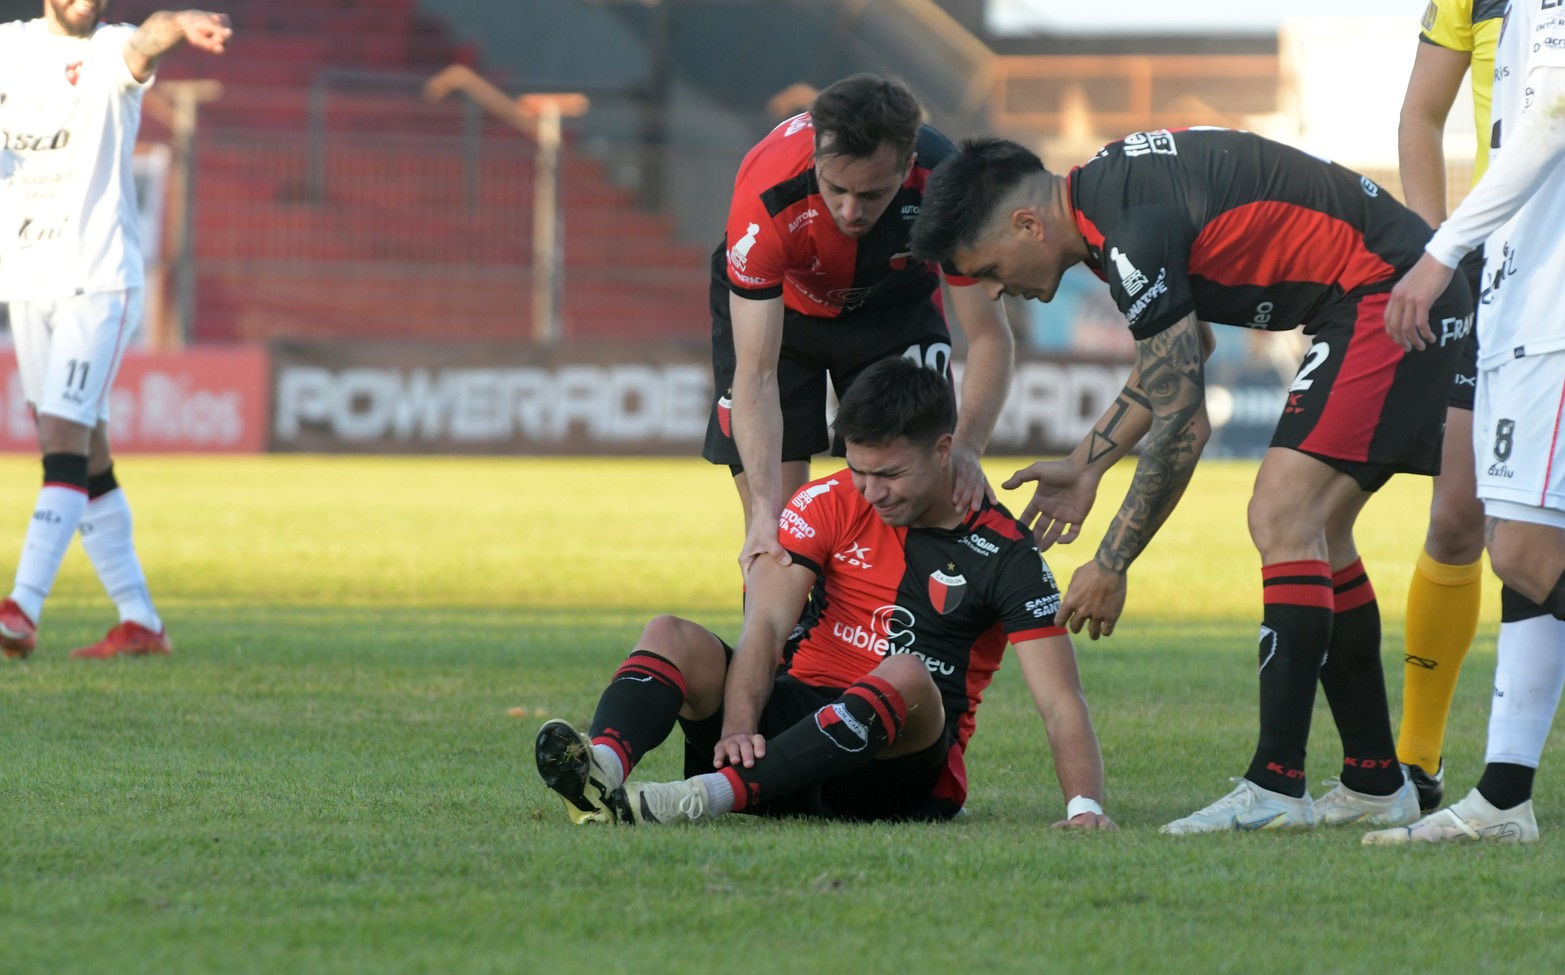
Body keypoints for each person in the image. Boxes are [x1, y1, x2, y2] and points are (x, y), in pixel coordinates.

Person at [912, 130, 1473, 834]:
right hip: (1373, 291)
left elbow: (1184, 422)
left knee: (1280, 513)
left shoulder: (1127, 230)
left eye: (989, 268)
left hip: (1387, 294)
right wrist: (1087, 462)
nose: (994, 289)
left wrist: (1111, 561)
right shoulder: (1102, 207)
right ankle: (1371, 780)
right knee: (1316, 531)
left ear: (1027, 224)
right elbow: (1186, 352)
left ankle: (1276, 783)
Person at [538, 356, 1113, 828]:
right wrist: (740, 727)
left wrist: (1085, 809)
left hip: (893, 770)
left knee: (909, 673)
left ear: (944, 451)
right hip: (786, 739)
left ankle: (703, 798)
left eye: (890, 475)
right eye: (861, 470)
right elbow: (765, 625)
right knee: (669, 633)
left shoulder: (1009, 554)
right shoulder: (829, 501)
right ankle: (601, 774)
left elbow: (1062, 701)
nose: (872, 492)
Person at [1369, 0, 1565, 844]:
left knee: (1519, 547)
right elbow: (1429, 111)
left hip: (1551, 290)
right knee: (1519, 544)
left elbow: (1552, 108)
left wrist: (1442, 248)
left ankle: (1497, 794)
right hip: (1516, 282)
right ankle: (1502, 797)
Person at [701, 72, 1015, 576]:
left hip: (893, 309)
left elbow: (989, 336)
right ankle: (783, 654)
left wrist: (969, 449)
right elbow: (757, 373)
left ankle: (905, 648)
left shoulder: (948, 185)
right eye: (836, 188)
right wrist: (763, 512)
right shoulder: (768, 191)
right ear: (816, 158)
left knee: (922, 491)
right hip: (784, 318)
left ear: (908, 166)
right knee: (779, 536)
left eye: (872, 194)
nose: (851, 210)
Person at [0, 3, 230, 659]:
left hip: (97, 280)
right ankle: (141, 622)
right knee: (84, 449)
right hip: (27, 279)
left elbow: (147, 40)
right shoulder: (9, 49)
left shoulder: (110, 51)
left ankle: (22, 607)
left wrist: (180, 24)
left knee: (62, 440)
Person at [1390, 0, 1508, 813]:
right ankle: (1414, 759)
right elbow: (1421, 113)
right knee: (1455, 515)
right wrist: (1440, 247)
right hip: (1504, 270)